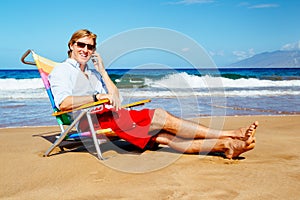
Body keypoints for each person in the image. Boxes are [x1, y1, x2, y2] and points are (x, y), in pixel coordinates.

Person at [49, 29, 258, 159]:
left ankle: (226, 146)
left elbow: (116, 99)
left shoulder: (93, 74)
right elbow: (64, 104)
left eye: (90, 47)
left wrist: (103, 71)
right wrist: (96, 98)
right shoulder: (62, 70)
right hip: (91, 121)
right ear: (71, 45)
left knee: (164, 138)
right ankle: (230, 133)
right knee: (160, 115)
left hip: (110, 116)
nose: (85, 50)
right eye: (81, 45)